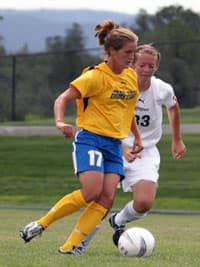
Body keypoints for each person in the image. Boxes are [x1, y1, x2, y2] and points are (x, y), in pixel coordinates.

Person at [19, 20, 143, 255]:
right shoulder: (94, 77)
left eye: (134, 52)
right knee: (91, 191)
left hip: (114, 144)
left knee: (106, 198)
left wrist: (135, 137)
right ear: (112, 52)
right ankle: (40, 224)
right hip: (91, 139)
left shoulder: (130, 77)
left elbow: (128, 110)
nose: (132, 56)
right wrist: (59, 121)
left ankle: (70, 247)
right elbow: (62, 99)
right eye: (128, 52)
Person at [76, 44, 187, 252]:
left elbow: (173, 108)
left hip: (145, 151)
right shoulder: (117, 85)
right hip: (112, 146)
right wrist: (121, 145)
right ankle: (79, 242)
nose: (146, 69)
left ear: (157, 67)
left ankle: (118, 220)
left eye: (151, 66)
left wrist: (177, 139)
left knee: (144, 202)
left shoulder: (162, 89)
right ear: (132, 64)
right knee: (103, 198)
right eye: (141, 65)